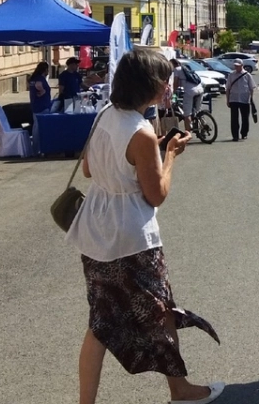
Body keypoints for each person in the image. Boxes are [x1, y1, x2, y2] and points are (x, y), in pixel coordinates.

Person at [66, 49, 223, 404]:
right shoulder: (141, 132)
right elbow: (156, 195)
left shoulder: (105, 114)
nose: (169, 86)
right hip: (132, 237)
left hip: (95, 231)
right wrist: (170, 156)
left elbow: (89, 169)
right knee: (161, 310)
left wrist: (142, 158)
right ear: (150, 85)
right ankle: (180, 390)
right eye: (165, 80)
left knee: (100, 323)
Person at [224, 60, 257, 141]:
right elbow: (227, 88)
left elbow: (252, 88)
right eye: (235, 66)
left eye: (238, 66)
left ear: (242, 65)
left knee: (245, 118)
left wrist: (251, 99)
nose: (236, 67)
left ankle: (244, 133)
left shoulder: (247, 75)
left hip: (245, 99)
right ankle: (235, 135)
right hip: (233, 99)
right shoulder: (231, 75)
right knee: (234, 118)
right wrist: (227, 100)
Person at [169, 59, 203, 134]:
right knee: (198, 111)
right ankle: (203, 126)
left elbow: (175, 83)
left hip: (190, 91)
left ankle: (187, 134)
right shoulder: (186, 68)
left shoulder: (176, 70)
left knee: (187, 114)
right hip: (200, 89)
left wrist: (172, 93)